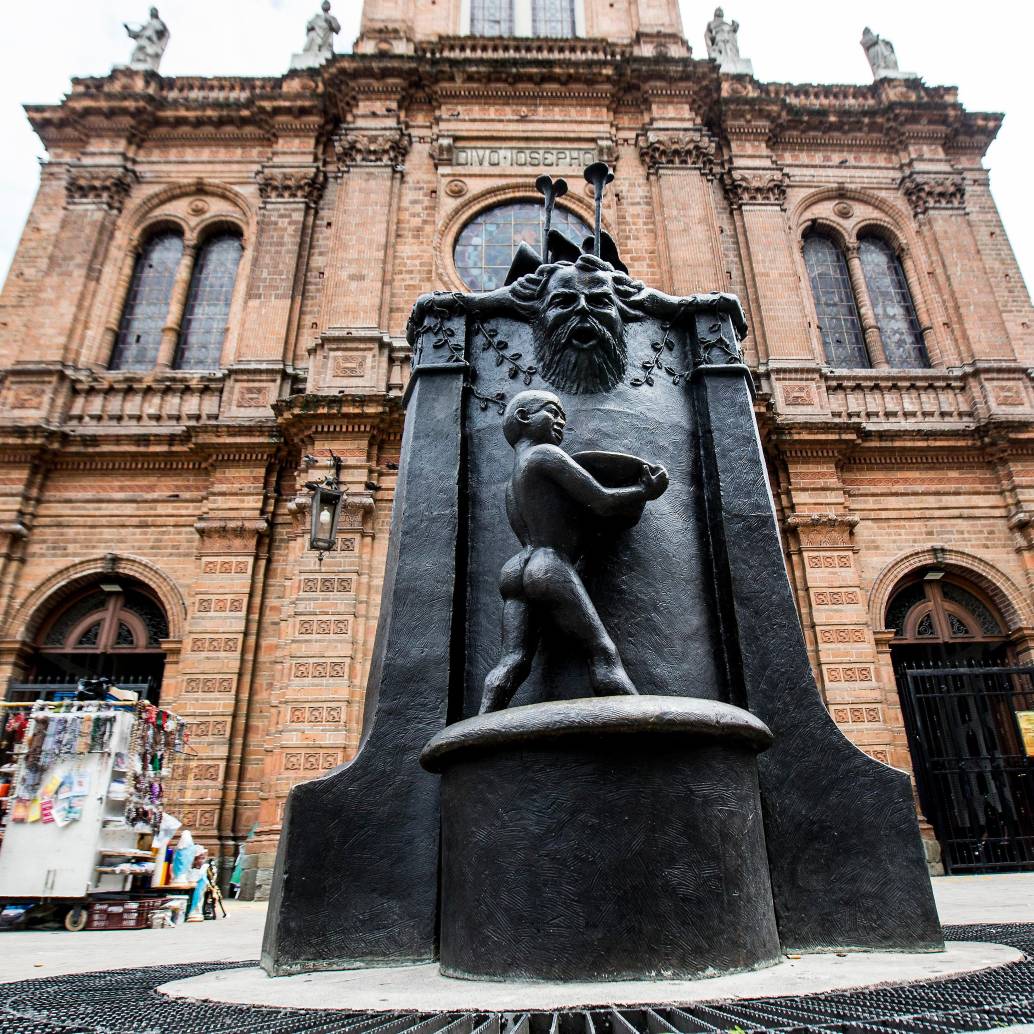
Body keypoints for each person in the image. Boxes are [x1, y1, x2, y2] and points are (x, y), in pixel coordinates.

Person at [479, 389, 668, 713]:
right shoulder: (546, 455)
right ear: (524, 417)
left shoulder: (513, 481)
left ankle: (480, 727)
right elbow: (603, 500)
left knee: (513, 660)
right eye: (553, 412)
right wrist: (645, 491)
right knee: (602, 651)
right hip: (549, 563)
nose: (561, 422)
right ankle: (641, 727)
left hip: (517, 566)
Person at [124, 8, 169, 73]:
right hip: (143, 42)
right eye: (151, 12)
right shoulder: (148, 24)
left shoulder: (158, 23)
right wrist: (128, 29)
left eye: (153, 12)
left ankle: (142, 65)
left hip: (150, 44)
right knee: (136, 53)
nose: (152, 13)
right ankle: (137, 66)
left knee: (144, 51)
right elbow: (138, 34)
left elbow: (162, 32)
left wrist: (153, 38)